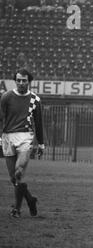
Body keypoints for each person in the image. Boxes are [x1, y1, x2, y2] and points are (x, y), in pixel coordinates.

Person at [0, 69, 45, 218]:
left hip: (25, 137)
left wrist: (41, 143)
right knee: (14, 178)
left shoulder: (35, 100)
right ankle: (30, 200)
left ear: (29, 81)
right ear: (15, 81)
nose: (21, 83)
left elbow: (38, 123)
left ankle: (17, 210)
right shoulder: (6, 97)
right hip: (7, 137)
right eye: (18, 80)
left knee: (19, 171)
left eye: (24, 80)